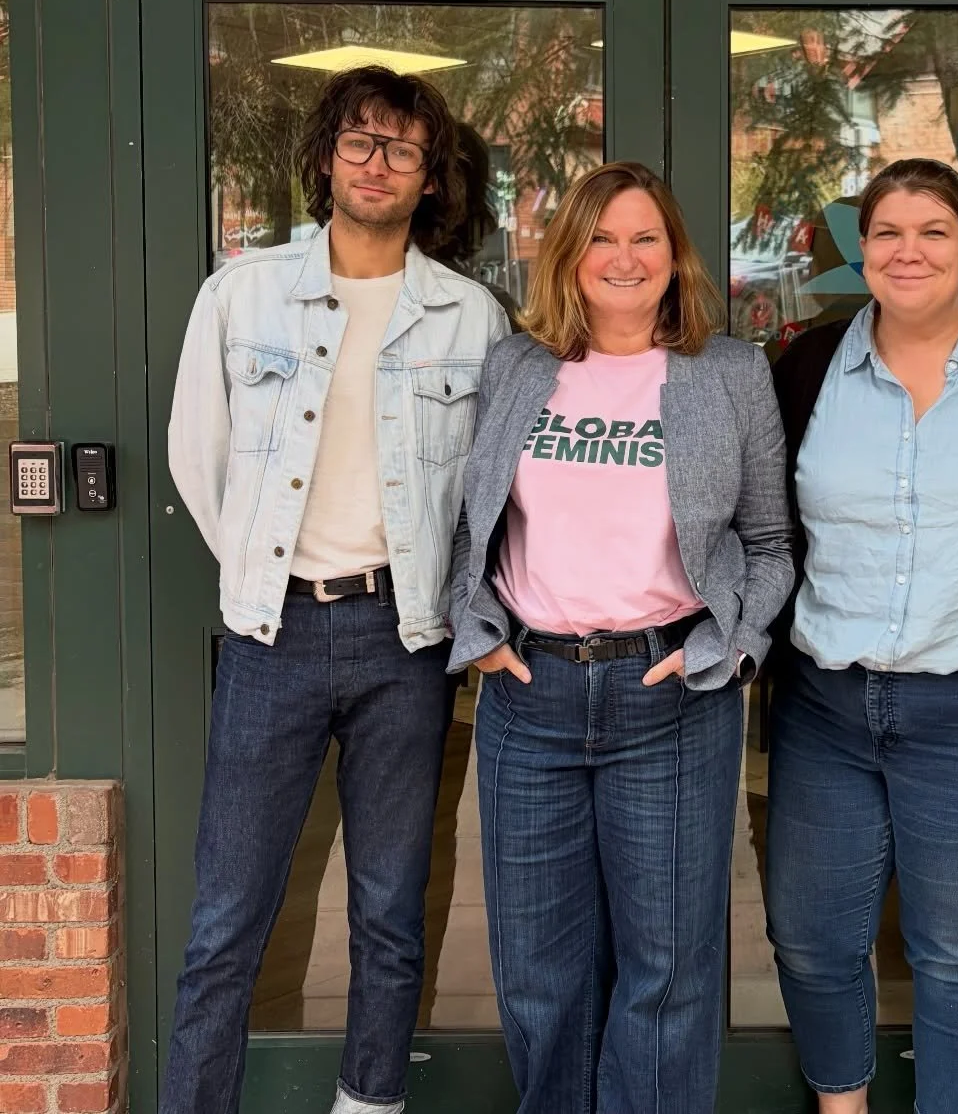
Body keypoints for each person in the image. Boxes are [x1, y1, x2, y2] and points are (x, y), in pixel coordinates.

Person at [164, 65, 508, 1114]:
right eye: (359, 140)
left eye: (401, 147)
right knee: (228, 913)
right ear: (325, 158)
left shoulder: (470, 318)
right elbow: (196, 455)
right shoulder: (242, 292)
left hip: (404, 637)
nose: (376, 161)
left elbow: (488, 496)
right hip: (271, 632)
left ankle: (368, 1101)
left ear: (429, 176)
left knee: (390, 909)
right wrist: (260, 573)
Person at [449, 160, 792, 1114]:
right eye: (602, 236)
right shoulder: (519, 367)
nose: (625, 257)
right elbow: (467, 518)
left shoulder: (727, 373)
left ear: (675, 256)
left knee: (669, 975)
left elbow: (768, 543)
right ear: (570, 254)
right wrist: (475, 631)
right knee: (538, 974)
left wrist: (732, 644)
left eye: (645, 237)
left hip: (670, 691)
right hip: (532, 690)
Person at [765, 158, 958, 1114]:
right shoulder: (807, 366)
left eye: (934, 231)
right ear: (862, 252)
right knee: (811, 937)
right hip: (827, 706)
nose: (908, 250)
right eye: (887, 231)